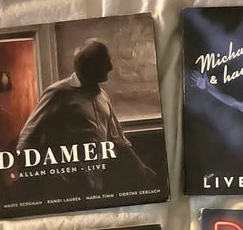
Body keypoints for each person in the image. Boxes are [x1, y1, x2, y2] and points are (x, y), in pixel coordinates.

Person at [17, 38, 154, 192]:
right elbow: (26, 139)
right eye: (105, 62)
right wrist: (47, 177)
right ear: (90, 65)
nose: (111, 67)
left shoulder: (103, 96)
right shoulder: (58, 93)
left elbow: (118, 140)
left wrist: (140, 166)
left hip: (96, 184)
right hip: (65, 188)